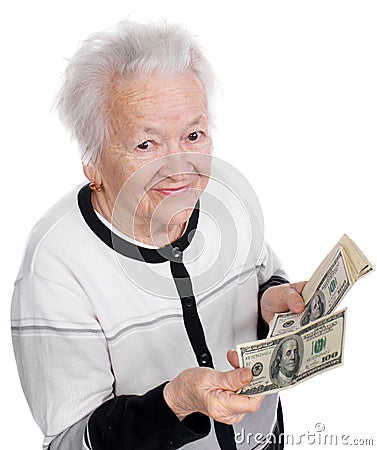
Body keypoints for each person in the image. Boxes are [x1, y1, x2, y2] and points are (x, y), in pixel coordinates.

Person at [11, 20, 306, 450]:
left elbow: (263, 274)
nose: (179, 167)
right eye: (146, 145)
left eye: (193, 134)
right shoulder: (55, 267)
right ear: (92, 163)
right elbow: (71, 442)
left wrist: (269, 302)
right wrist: (176, 400)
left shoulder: (228, 204)